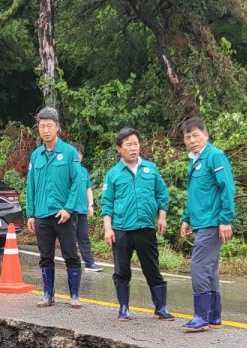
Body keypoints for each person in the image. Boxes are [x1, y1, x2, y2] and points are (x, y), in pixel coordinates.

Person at [99, 128, 173, 321]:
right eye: (128, 145)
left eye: (136, 144)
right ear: (119, 149)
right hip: (122, 229)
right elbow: (107, 204)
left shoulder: (151, 169)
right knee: (121, 270)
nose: (133, 148)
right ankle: (123, 308)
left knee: (152, 268)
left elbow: (161, 195)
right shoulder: (113, 174)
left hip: (146, 228)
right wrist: (108, 228)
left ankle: (160, 307)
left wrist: (162, 217)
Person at [180, 118, 235, 332]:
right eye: (188, 137)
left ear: (206, 135)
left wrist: (226, 220)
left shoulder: (215, 156)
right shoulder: (195, 160)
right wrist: (187, 218)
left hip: (213, 222)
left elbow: (227, 188)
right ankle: (214, 317)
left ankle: (201, 317)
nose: (192, 140)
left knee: (199, 267)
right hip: (201, 221)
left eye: (196, 135)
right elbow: (195, 193)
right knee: (209, 269)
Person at [25, 107, 83, 307]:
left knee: (70, 254)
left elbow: (77, 182)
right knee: (45, 256)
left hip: (63, 214)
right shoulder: (36, 155)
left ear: (57, 127)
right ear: (38, 129)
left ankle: (74, 295)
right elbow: (30, 185)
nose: (46, 130)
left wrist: (69, 208)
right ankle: (48, 295)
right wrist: (31, 213)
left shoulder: (69, 153)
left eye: (50, 126)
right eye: (42, 126)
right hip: (42, 214)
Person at [69, 143, 102, 272]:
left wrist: (90, 205)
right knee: (69, 239)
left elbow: (88, 188)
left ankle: (89, 263)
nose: (78, 156)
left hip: (82, 210)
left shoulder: (83, 171)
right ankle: (72, 263)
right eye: (76, 154)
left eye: (80, 154)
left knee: (84, 237)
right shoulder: (66, 170)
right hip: (70, 210)